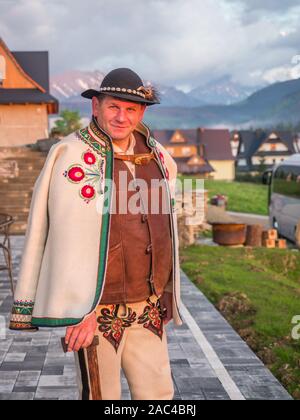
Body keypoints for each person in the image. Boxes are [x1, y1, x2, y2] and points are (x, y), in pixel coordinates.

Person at [10, 68, 182, 400]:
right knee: (102, 397)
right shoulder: (70, 155)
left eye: (130, 109)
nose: (122, 116)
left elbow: (165, 224)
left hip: (147, 308)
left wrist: (165, 289)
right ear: (96, 107)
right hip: (96, 314)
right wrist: (79, 309)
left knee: (160, 395)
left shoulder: (159, 156)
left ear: (141, 112)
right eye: (113, 107)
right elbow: (61, 237)